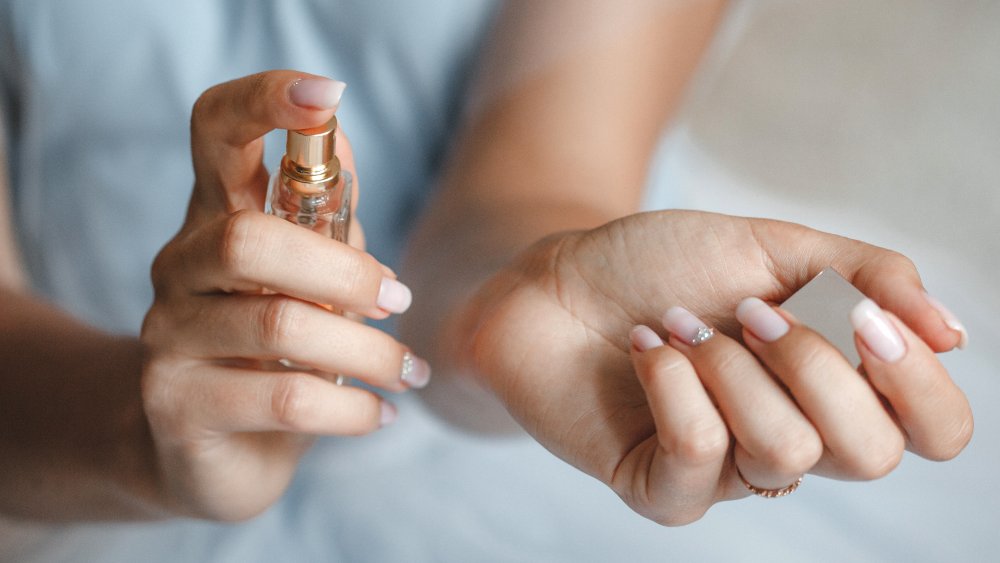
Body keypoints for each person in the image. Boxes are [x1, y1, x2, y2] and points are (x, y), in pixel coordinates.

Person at [0, 0, 984, 561]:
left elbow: (530, 183)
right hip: (96, 445)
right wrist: (145, 437)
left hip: (540, 432)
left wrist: (513, 306)